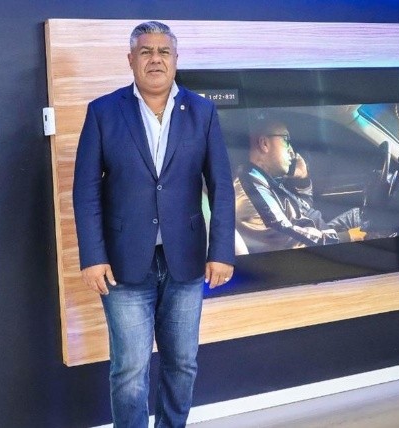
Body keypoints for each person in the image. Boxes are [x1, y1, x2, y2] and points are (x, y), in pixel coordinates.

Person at [72, 21, 236, 427]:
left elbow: (221, 186)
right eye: (146, 51)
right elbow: (86, 190)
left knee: (183, 363)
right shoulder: (103, 112)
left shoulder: (202, 112)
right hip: (123, 263)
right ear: (131, 60)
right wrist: (92, 257)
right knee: (129, 370)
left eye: (164, 51)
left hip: (186, 261)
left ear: (176, 60)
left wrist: (221, 252)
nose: (155, 59)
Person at [234, 117, 365, 254]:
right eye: (286, 140)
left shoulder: (266, 180)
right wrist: (346, 237)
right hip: (317, 249)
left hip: (320, 235)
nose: (292, 152)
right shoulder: (250, 187)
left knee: (359, 216)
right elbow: (288, 238)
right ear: (264, 143)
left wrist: (303, 180)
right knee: (367, 225)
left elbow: (304, 213)